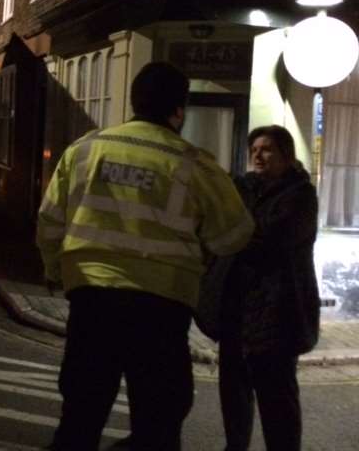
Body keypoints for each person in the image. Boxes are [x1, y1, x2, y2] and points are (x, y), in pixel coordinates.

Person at [36, 61, 254, 451]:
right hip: (162, 308)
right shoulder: (195, 163)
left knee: (80, 417)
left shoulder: (84, 150)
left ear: (134, 101)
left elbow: (49, 224)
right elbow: (234, 236)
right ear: (179, 110)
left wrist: (55, 270)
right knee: (158, 423)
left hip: (91, 297)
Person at [218, 125, 320, 451]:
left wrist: (235, 235)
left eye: (267, 149)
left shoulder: (300, 195)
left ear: (286, 156)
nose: (259, 156)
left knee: (278, 402)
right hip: (237, 309)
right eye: (254, 150)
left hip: (278, 312)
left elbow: (271, 241)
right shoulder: (241, 187)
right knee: (234, 398)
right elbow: (220, 225)